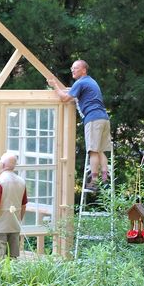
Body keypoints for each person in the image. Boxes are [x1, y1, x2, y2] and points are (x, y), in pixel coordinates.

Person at [47, 59, 112, 191]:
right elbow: (72, 93)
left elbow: (64, 98)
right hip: (104, 119)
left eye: (75, 68)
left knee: (93, 151)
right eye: (72, 68)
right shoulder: (91, 81)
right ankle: (105, 180)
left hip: (93, 119)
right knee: (100, 151)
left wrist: (54, 85)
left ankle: (94, 182)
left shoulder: (81, 82)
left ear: (84, 70)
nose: (72, 70)